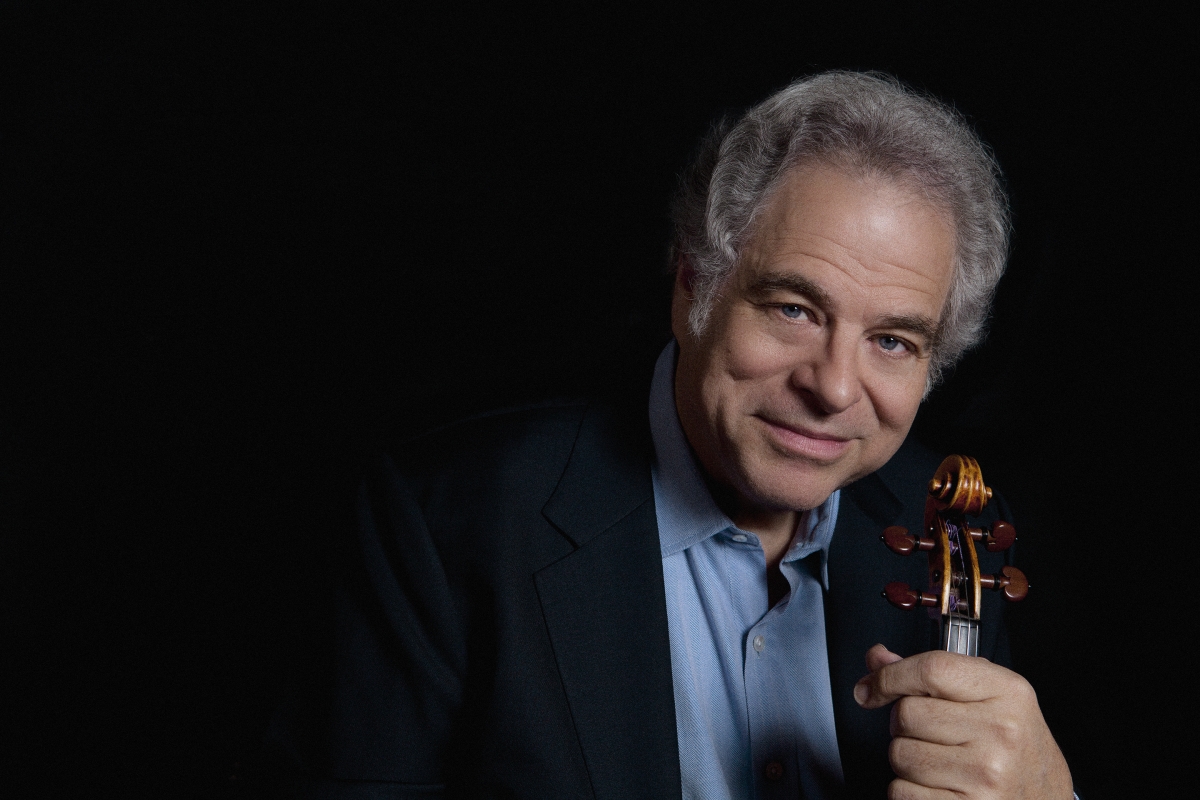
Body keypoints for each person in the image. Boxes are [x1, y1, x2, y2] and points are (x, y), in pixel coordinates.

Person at [265, 71, 1074, 799]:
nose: (832, 386)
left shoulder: (947, 530)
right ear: (694, 286)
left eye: (893, 341)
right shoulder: (448, 523)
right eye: (794, 309)